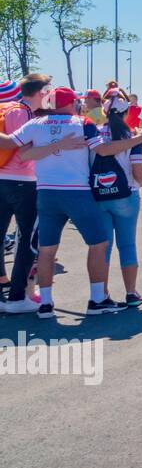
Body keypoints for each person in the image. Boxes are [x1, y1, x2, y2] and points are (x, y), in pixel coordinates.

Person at [0, 86, 119, 317]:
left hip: (46, 192)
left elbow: (20, 151)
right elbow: (102, 150)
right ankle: (97, 299)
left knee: (46, 249)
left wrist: (51, 147)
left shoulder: (36, 124)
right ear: (69, 103)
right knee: (98, 243)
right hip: (77, 192)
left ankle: (45, 303)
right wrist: (135, 139)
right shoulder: (82, 123)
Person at [0, 75, 48, 314]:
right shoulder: (22, 113)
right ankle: (17, 297)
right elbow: (24, 150)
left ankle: (3, 294)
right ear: (39, 91)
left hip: (2, 180)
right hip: (22, 181)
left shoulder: (5, 109)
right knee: (27, 240)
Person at [97, 89, 142, 304]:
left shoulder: (95, 133)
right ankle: (131, 292)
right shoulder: (133, 136)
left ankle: (101, 293)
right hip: (127, 194)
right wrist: (141, 182)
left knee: (103, 247)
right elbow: (137, 171)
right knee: (127, 245)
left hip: (99, 194)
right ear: (127, 112)